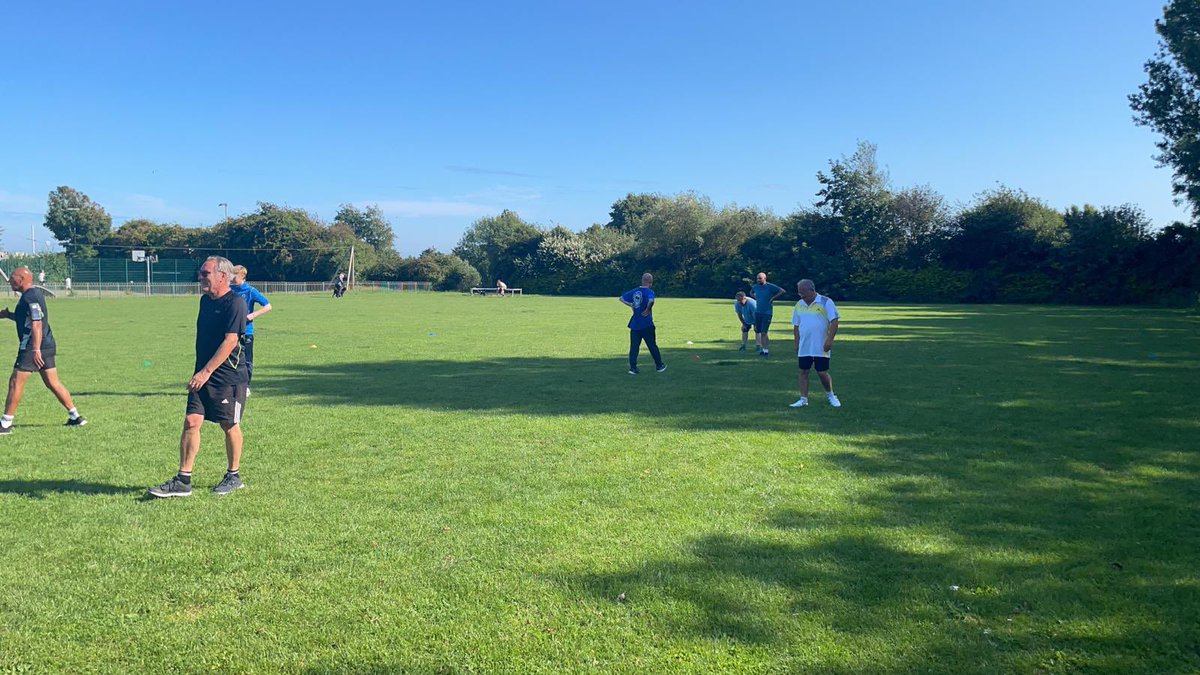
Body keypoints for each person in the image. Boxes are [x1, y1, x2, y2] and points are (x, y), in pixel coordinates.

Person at [148, 256, 248, 498]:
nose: (200, 277)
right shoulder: (205, 301)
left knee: (229, 424)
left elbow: (231, 341)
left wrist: (206, 371)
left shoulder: (236, 303)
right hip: (202, 375)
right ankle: (183, 480)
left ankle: (234, 476)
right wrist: (200, 371)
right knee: (192, 421)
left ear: (223, 276)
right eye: (201, 273)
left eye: (205, 273)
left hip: (228, 377)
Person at [0, 267, 86, 434]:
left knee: (15, 382)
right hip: (46, 345)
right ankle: (76, 417)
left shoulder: (31, 297)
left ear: (22, 279)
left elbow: (37, 323)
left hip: (33, 347)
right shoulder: (30, 295)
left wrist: (35, 349)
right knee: (53, 383)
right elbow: (25, 318)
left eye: (12, 278)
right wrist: (7, 315)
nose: (9, 280)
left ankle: (5, 424)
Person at [789, 279, 841, 408]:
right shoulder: (799, 304)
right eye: (799, 293)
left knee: (822, 372)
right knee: (803, 371)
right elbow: (796, 325)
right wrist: (797, 342)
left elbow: (834, 321)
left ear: (812, 290)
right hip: (805, 345)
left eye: (804, 293)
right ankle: (803, 399)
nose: (802, 296)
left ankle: (831, 395)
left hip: (820, 345)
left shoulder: (825, 302)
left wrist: (829, 340)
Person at [231, 265, 272, 394]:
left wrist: (252, 315)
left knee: (246, 359)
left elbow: (268, 306)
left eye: (234, 275)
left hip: (246, 331)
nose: (232, 278)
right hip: (231, 330)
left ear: (242, 276)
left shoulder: (250, 291)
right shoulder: (229, 289)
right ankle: (231, 384)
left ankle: (246, 386)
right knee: (230, 359)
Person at [619, 273, 666, 375]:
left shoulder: (635, 291)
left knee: (634, 347)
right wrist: (648, 309)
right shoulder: (649, 292)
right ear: (651, 282)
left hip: (635, 324)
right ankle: (659, 366)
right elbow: (651, 300)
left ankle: (633, 368)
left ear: (642, 280)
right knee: (652, 346)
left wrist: (630, 304)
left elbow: (621, 298)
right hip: (646, 324)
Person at [751, 272, 786, 358]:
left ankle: (766, 351)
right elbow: (751, 292)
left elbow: (782, 291)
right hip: (758, 312)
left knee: (764, 332)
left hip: (767, 313)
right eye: (757, 278)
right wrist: (756, 298)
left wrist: (773, 298)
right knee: (757, 330)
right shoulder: (755, 287)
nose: (758, 280)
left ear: (765, 278)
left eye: (760, 278)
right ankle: (763, 350)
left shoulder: (770, 286)